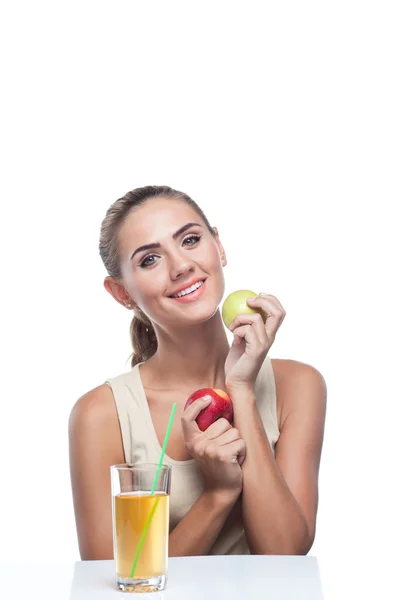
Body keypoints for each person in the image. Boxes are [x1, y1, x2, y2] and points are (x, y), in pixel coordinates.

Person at [69, 185, 327, 560]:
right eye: (149, 260)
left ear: (218, 247)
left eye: (190, 240)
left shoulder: (299, 386)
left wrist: (241, 389)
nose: (181, 266)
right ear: (121, 293)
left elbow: (285, 552)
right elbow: (112, 579)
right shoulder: (101, 414)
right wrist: (218, 495)